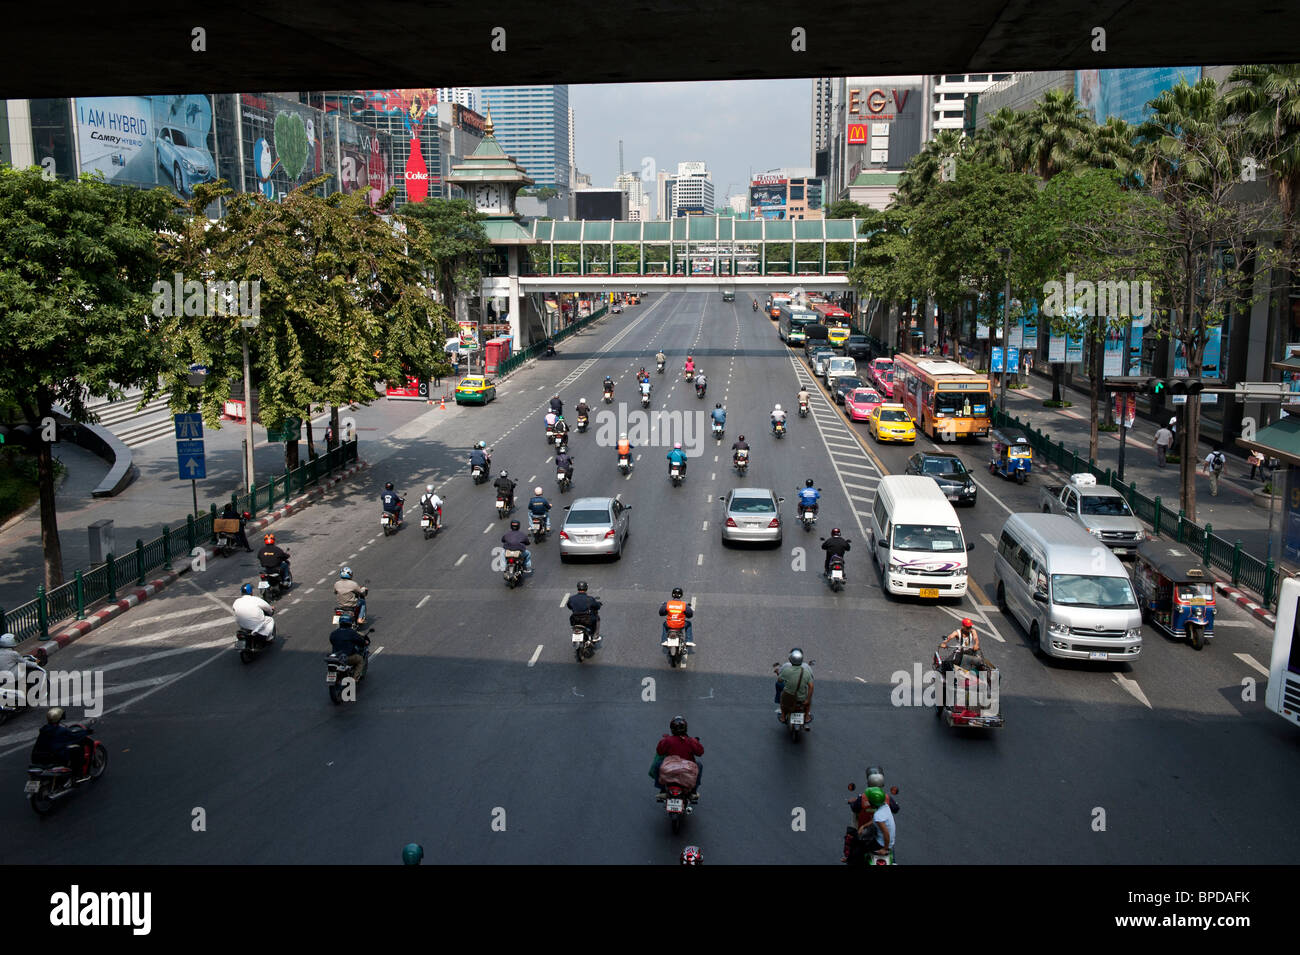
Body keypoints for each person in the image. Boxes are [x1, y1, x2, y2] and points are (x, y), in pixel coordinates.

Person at [30, 708, 92, 779]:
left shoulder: (45, 729)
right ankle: (77, 774)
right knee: (77, 750)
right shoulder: (60, 730)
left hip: (38, 757)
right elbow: (74, 736)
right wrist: (86, 732)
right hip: (53, 756)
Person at [845, 786, 896, 861]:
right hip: (890, 842)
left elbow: (886, 833)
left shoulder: (877, 815)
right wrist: (863, 826)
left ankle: (849, 860)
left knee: (858, 848)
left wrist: (884, 849)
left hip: (881, 844)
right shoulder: (885, 807)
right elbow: (876, 821)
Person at [654, 716, 703, 792]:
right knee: (699, 765)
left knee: (657, 765)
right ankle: (694, 790)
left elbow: (660, 752)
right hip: (688, 767)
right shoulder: (691, 740)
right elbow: (700, 752)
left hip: (670, 766)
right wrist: (696, 742)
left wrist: (664, 740)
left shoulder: (667, 740)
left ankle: (662, 788)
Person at [775, 648, 814, 724]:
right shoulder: (806, 672)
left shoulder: (786, 670)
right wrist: (807, 700)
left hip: (788, 697)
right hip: (802, 698)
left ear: (790, 659)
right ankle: (806, 717)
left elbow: (779, 681)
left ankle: (783, 716)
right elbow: (811, 687)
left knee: (782, 700)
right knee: (809, 702)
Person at [329, 613, 370, 681]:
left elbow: (332, 641)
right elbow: (360, 641)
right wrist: (365, 642)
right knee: (360, 660)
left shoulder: (334, 633)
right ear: (350, 623)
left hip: (336, 658)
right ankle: (354, 679)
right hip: (347, 657)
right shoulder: (351, 633)